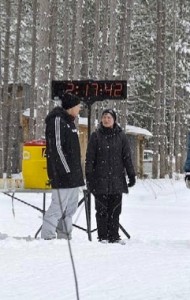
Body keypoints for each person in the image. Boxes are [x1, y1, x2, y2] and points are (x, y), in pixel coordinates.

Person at [85, 108, 136, 244]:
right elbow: (89, 159)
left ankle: (114, 235)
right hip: (100, 180)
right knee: (101, 210)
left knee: (115, 210)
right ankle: (103, 237)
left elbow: (127, 158)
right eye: (104, 117)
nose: (106, 120)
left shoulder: (121, 136)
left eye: (109, 117)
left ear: (114, 120)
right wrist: (89, 177)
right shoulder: (95, 136)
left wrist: (131, 175)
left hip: (117, 180)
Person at [41, 93, 84, 240]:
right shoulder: (57, 120)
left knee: (70, 208)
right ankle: (47, 236)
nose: (80, 109)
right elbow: (57, 148)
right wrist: (66, 170)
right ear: (71, 107)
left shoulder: (70, 121)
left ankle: (64, 236)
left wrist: (76, 172)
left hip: (74, 174)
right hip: (62, 174)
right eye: (78, 106)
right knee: (58, 206)